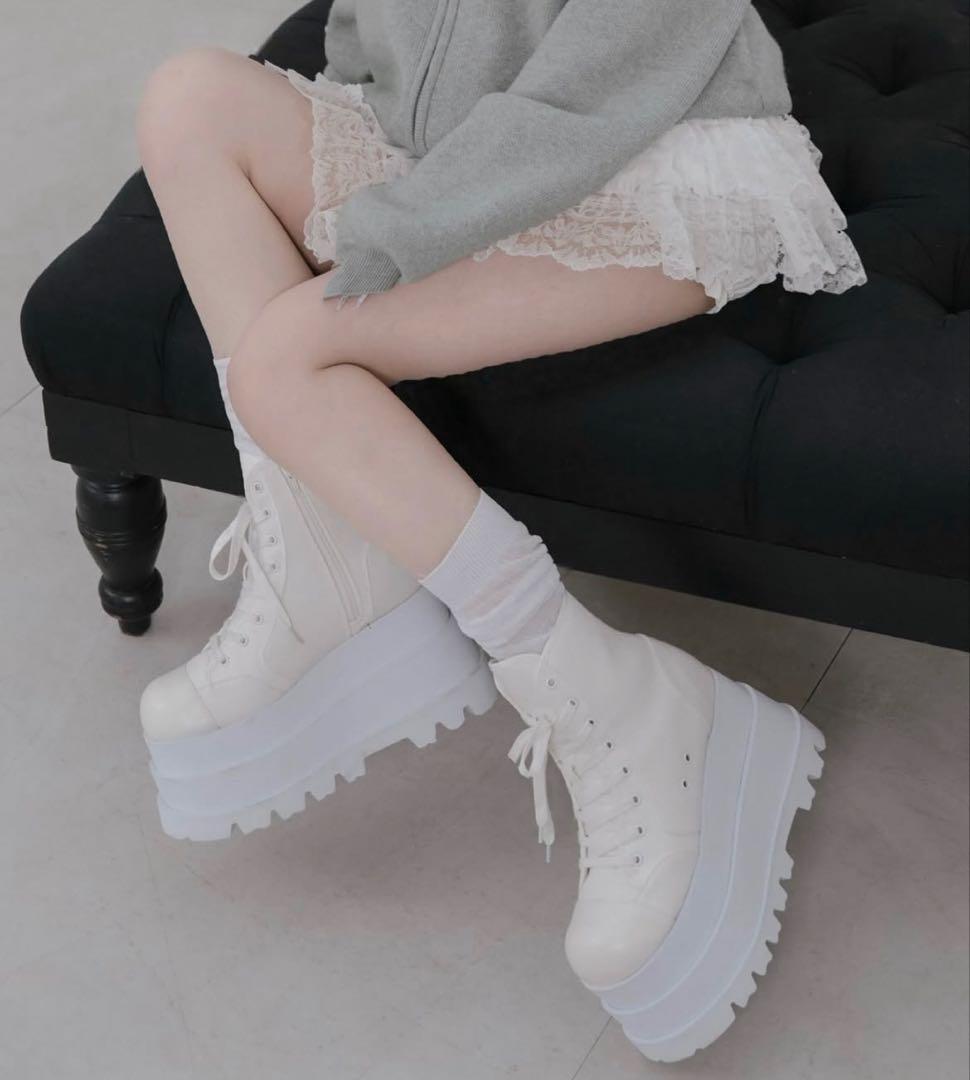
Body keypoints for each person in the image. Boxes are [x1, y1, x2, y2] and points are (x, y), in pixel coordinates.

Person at [133, 0, 858, 1062]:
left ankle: (621, 696)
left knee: (287, 361)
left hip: (654, 156)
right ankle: (329, 550)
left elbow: (607, 81)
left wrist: (401, 225)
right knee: (188, 100)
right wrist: (380, 118)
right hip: (462, 158)